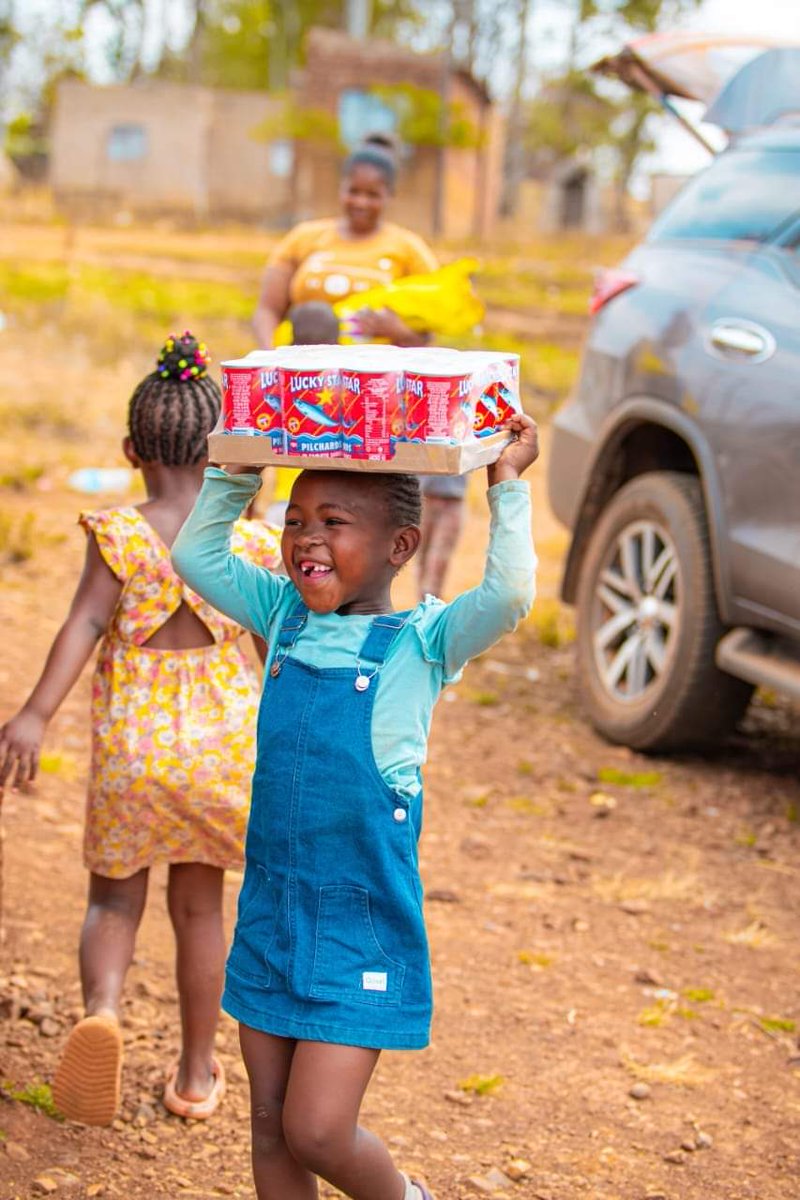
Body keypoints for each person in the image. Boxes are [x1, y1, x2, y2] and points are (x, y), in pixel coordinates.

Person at [171, 411, 539, 1200]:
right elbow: (195, 553)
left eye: (333, 524)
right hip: (272, 909)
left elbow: (508, 595)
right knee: (269, 1128)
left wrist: (505, 486)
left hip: (359, 921)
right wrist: (239, 466)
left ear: (399, 547)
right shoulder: (281, 616)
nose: (306, 538)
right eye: (295, 519)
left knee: (317, 1130)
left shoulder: (424, 643)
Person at [0, 333, 280, 1127]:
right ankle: (195, 1073)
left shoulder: (121, 533)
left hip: (135, 747)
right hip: (224, 750)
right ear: (223, 448)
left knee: (113, 904)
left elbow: (84, 623)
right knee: (199, 911)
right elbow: (276, 655)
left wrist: (32, 715)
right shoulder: (252, 542)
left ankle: (105, 1012)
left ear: (131, 449)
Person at [253, 142, 437, 350]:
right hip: (304, 372)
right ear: (341, 188)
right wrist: (270, 362)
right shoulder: (303, 238)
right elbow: (267, 310)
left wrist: (399, 332)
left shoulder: (409, 248)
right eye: (354, 191)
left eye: (372, 195)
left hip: (377, 374)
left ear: (389, 194)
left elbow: (427, 335)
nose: (361, 202)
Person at [265, 300, 341, 528]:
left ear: (292, 340)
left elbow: (253, 453)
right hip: (338, 509)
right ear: (337, 342)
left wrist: (248, 513)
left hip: (286, 506)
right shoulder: (349, 388)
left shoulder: (276, 386)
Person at [417, 472, 468, 599]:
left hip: (452, 499)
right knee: (421, 555)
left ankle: (431, 600)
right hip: (423, 497)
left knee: (439, 558)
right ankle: (423, 603)